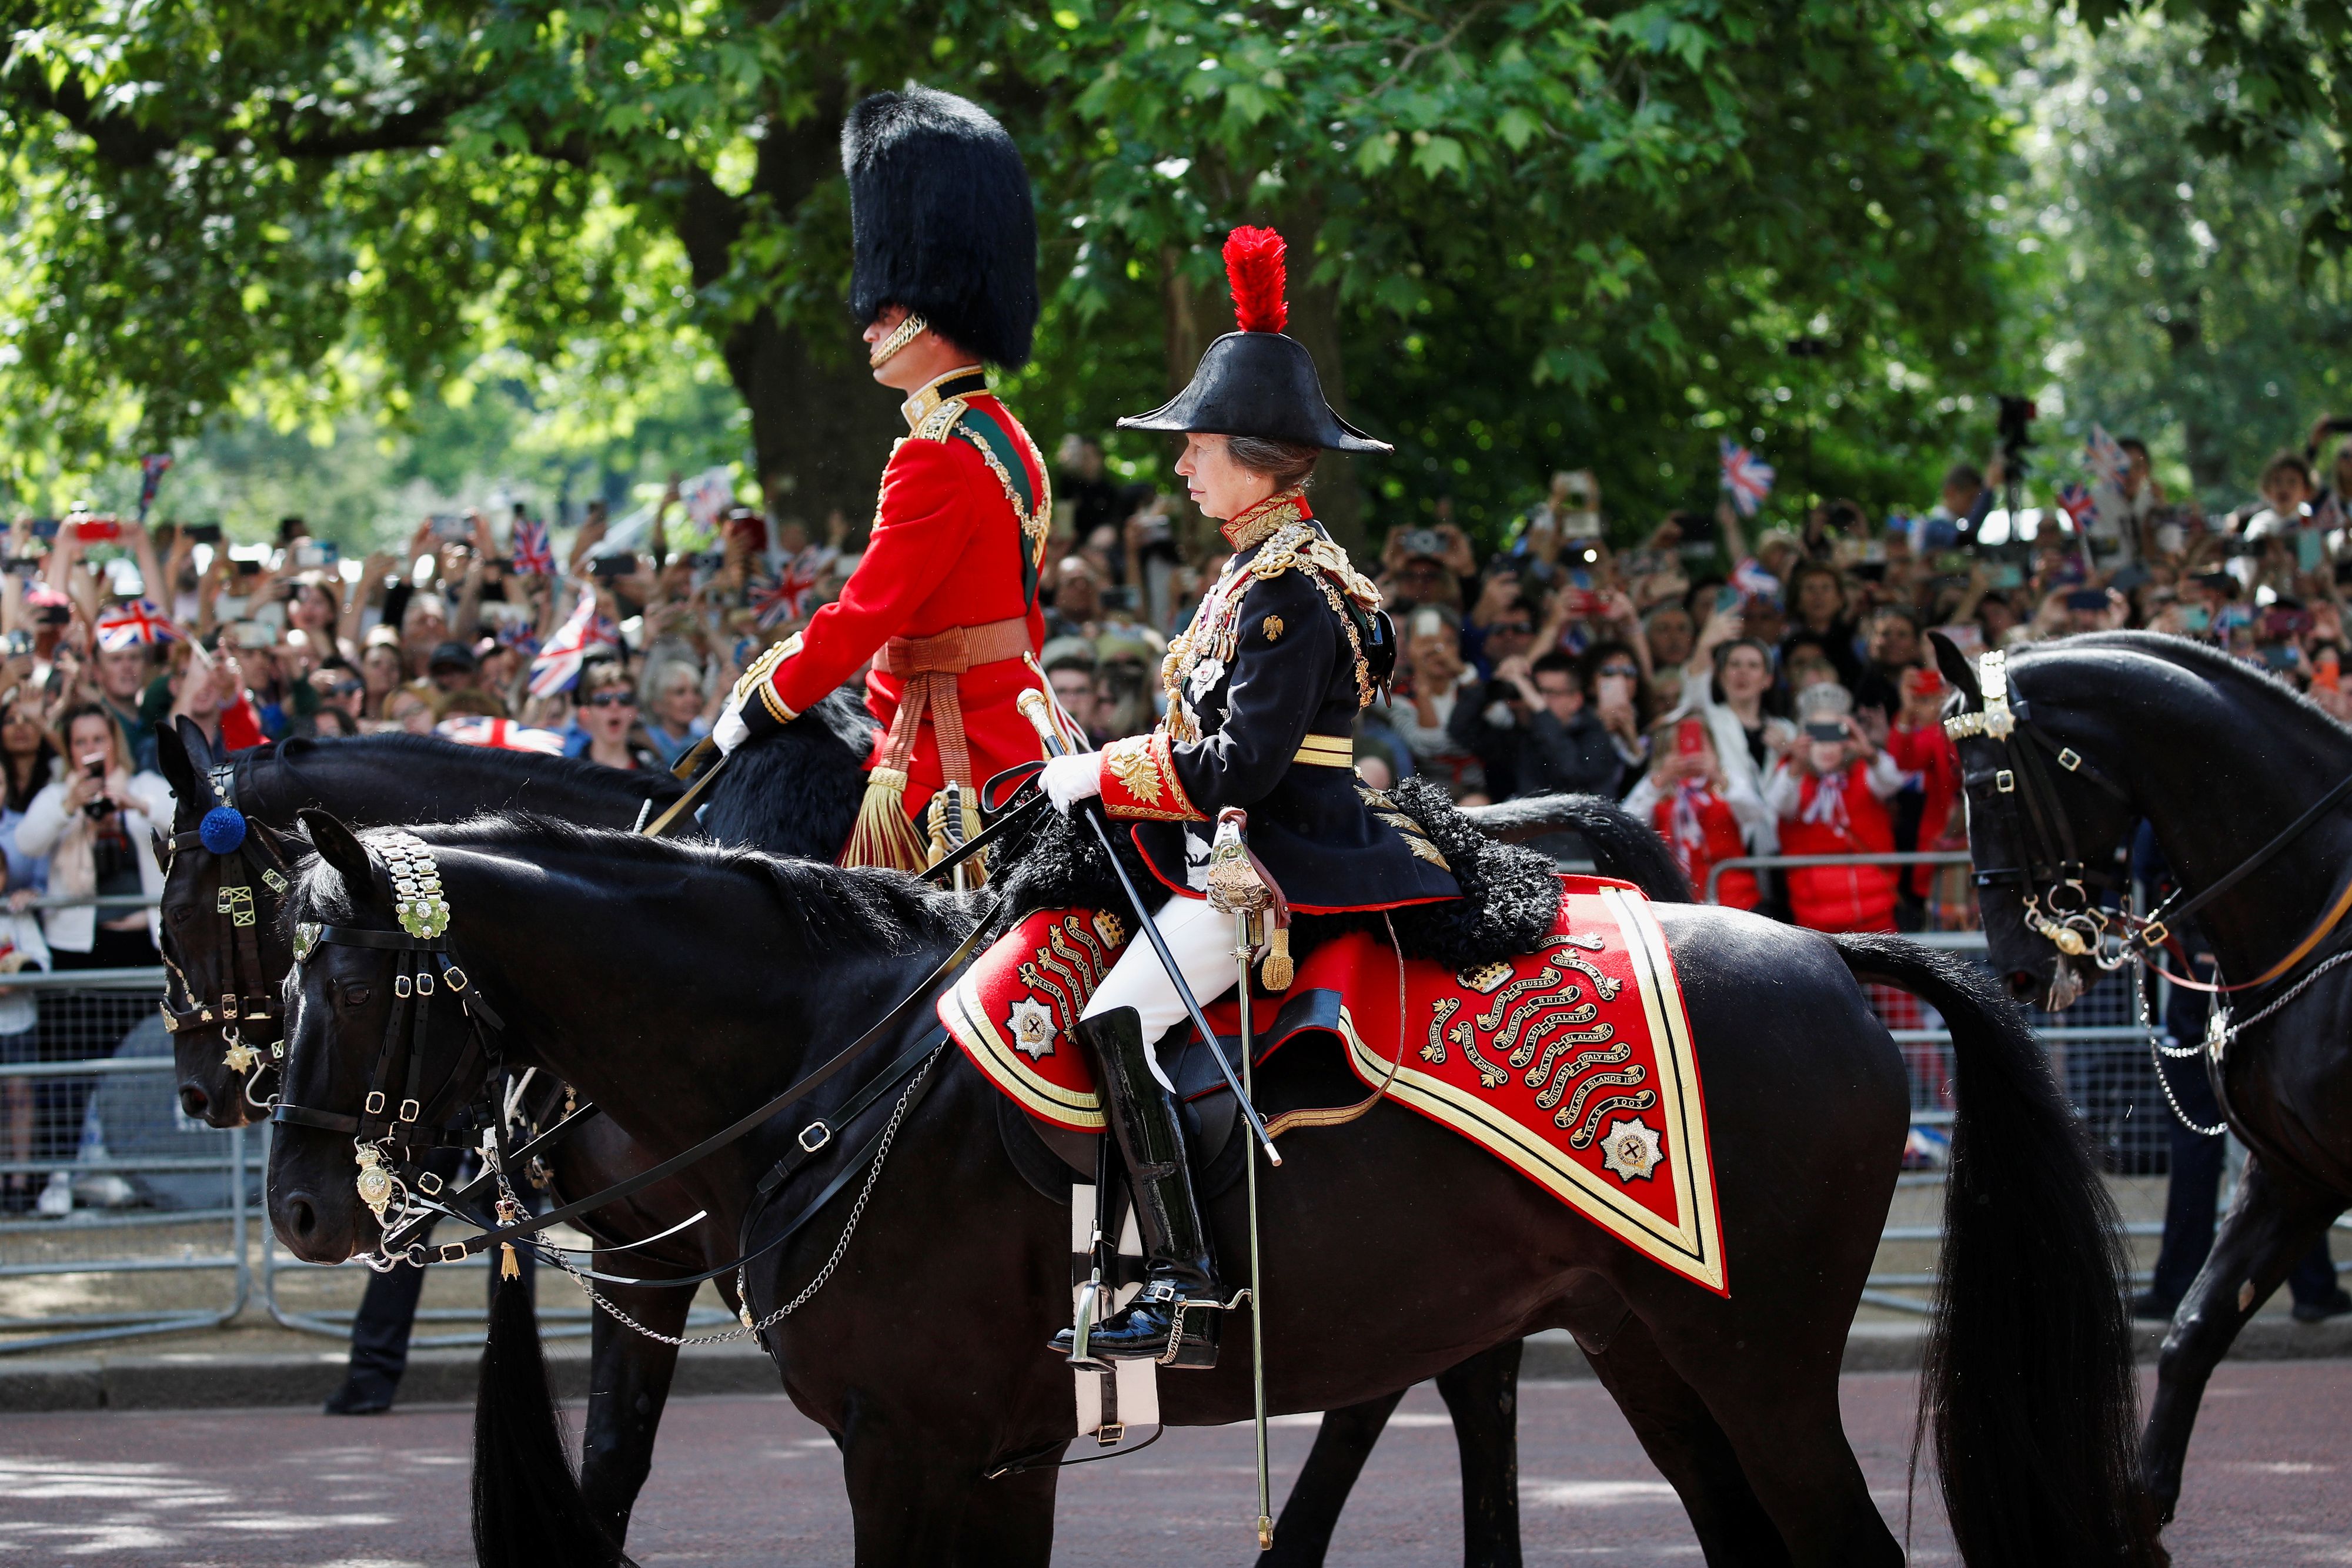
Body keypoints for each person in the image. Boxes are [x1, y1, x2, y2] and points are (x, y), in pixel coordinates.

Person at [1037, 225, 1449, 1368]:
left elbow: (1235, 769)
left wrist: (1097, 770)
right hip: (1239, 840)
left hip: (1273, 855)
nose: (1181, 465)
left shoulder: (1286, 593)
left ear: (1256, 456)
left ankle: (1181, 1283)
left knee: (1114, 1017)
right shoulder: (1258, 570)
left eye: (1198, 447)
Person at [715, 86, 1051, 874]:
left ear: (930, 309)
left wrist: (766, 699)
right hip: (1015, 727)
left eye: (885, 303)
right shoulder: (1006, 435)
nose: (867, 321)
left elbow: (866, 613)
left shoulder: (934, 452)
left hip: (947, 756)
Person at [15, 704, 172, 1218]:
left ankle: (127, 1169)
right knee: (71, 1068)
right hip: (78, 951)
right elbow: (27, 840)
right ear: (68, 747)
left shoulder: (143, 782)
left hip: (141, 951)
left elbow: (176, 816)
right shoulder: (55, 794)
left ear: (114, 742)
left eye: (98, 739)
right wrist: (68, 803)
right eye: (80, 741)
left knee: (137, 1064)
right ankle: (61, 1172)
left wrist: (133, 803)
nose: (90, 750)